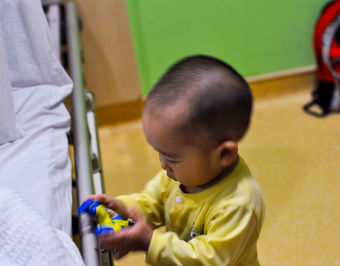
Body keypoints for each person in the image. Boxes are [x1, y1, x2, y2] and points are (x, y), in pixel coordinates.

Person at [86, 55, 265, 265]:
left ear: (223, 155)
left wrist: (149, 242)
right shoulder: (179, 175)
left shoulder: (238, 204)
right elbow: (152, 202)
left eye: (171, 157)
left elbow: (208, 260)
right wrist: (122, 208)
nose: (162, 164)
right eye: (159, 152)